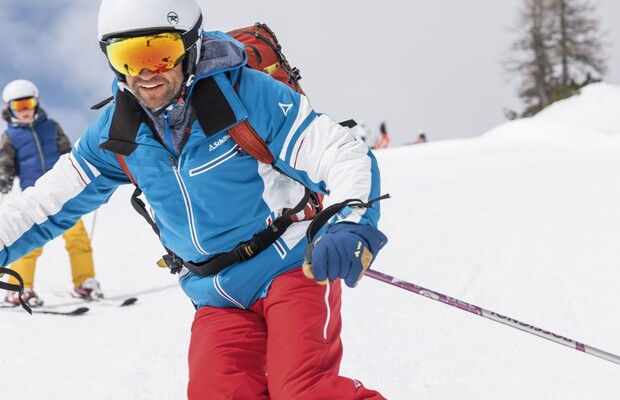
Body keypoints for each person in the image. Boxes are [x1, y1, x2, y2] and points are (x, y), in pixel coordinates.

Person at [0, 0, 388, 398]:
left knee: (305, 392)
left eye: (160, 52)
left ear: (190, 44)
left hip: (290, 268)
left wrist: (352, 219)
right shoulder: (118, 133)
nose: (146, 73)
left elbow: (337, 152)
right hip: (215, 295)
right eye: (128, 58)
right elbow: (45, 202)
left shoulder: (247, 95)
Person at [0, 79, 102, 307]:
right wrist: (4, 177)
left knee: (78, 239)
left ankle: (85, 282)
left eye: (28, 103)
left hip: (64, 192)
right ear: (9, 108)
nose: (25, 110)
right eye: (19, 106)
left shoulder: (51, 126)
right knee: (28, 242)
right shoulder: (10, 136)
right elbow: (6, 161)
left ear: (37, 102)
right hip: (35, 197)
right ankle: (20, 288)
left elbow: (69, 153)